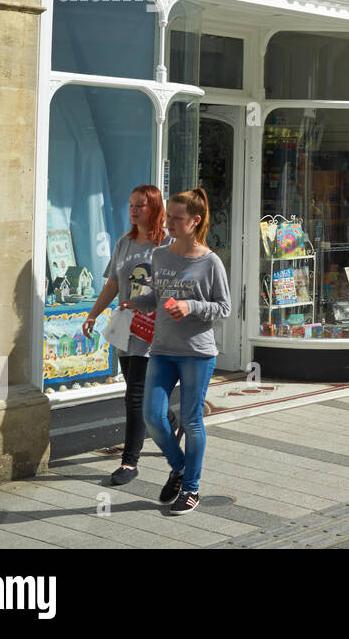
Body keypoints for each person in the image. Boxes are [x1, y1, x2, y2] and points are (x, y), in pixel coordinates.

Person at [124, 188, 230, 516]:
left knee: (191, 420)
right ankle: (181, 468)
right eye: (167, 216)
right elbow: (156, 297)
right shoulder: (160, 255)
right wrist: (133, 301)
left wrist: (191, 306)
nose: (168, 222)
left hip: (196, 353)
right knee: (152, 416)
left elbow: (224, 308)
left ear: (195, 221)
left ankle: (191, 489)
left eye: (176, 218)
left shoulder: (210, 262)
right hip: (162, 350)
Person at [82, 186, 177, 485]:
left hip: (156, 330)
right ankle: (171, 422)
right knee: (142, 394)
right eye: (131, 205)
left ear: (155, 209)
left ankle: (129, 462)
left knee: (134, 395)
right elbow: (112, 283)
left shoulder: (168, 244)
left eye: (141, 206)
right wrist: (93, 314)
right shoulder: (125, 243)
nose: (134, 211)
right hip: (127, 328)